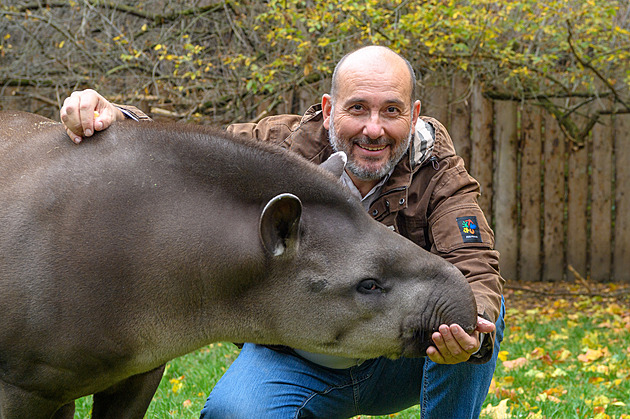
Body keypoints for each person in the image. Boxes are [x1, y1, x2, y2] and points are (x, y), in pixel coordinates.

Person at [60, 45, 505, 418]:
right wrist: (115, 116)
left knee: (479, 311)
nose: (374, 128)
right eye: (357, 109)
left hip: (401, 355)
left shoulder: (438, 169)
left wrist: (471, 335)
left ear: (414, 114)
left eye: (391, 111)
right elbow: (190, 156)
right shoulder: (279, 147)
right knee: (232, 414)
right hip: (297, 359)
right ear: (329, 111)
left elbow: (476, 264)